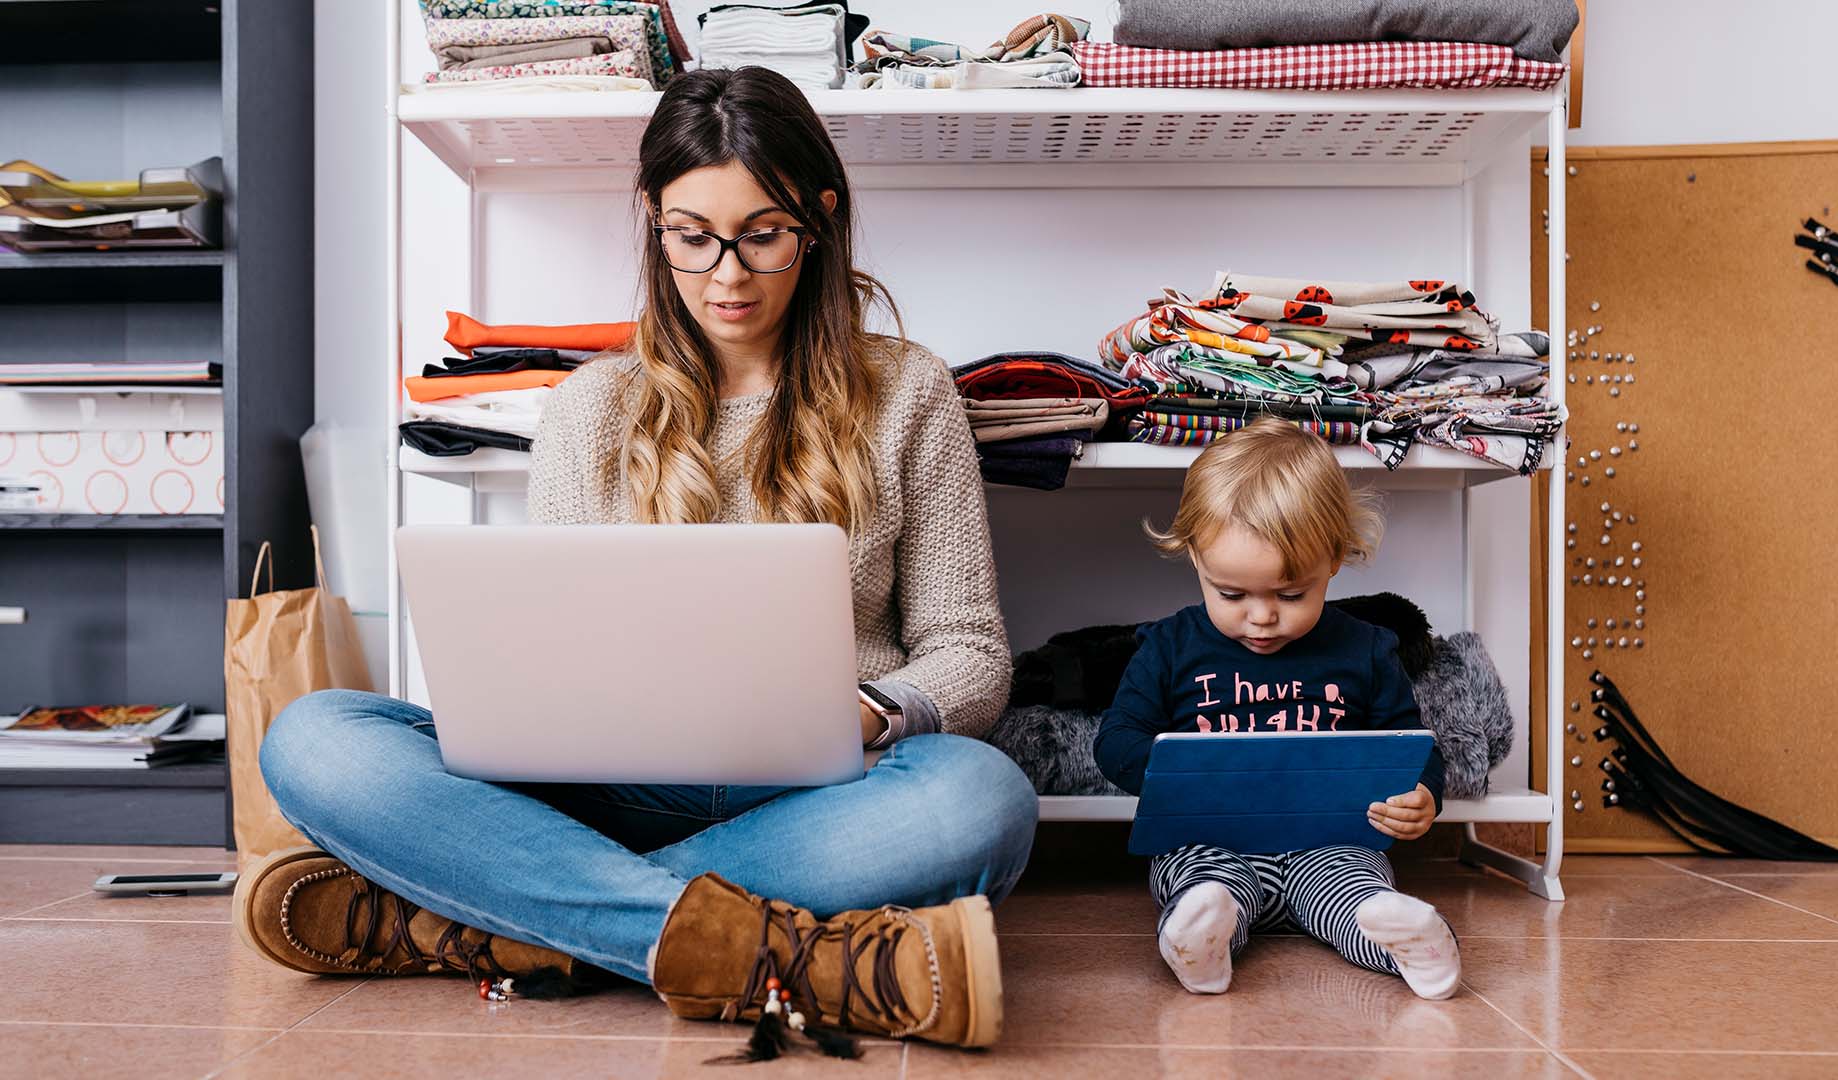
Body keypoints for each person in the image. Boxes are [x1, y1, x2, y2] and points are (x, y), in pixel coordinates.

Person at [236, 67, 1037, 1051]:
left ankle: (515, 923)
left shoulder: (909, 390)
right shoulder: (589, 409)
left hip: (819, 794)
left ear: (820, 219)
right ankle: (756, 948)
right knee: (314, 736)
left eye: (763, 235)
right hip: (605, 793)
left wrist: (874, 709)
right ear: (654, 220)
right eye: (691, 238)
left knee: (982, 800)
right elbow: (558, 655)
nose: (727, 275)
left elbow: (971, 655)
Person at [1092, 418, 1461, 1000]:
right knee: (1203, 883)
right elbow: (1116, 739)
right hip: (1212, 836)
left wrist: (1422, 796)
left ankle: (1405, 936)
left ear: (1334, 561)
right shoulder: (1169, 646)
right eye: (1231, 594)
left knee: (1351, 889)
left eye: (1291, 595)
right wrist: (1174, 776)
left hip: (1329, 839)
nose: (1261, 617)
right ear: (1195, 560)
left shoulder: (1364, 648)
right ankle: (1204, 938)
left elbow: (1407, 744)